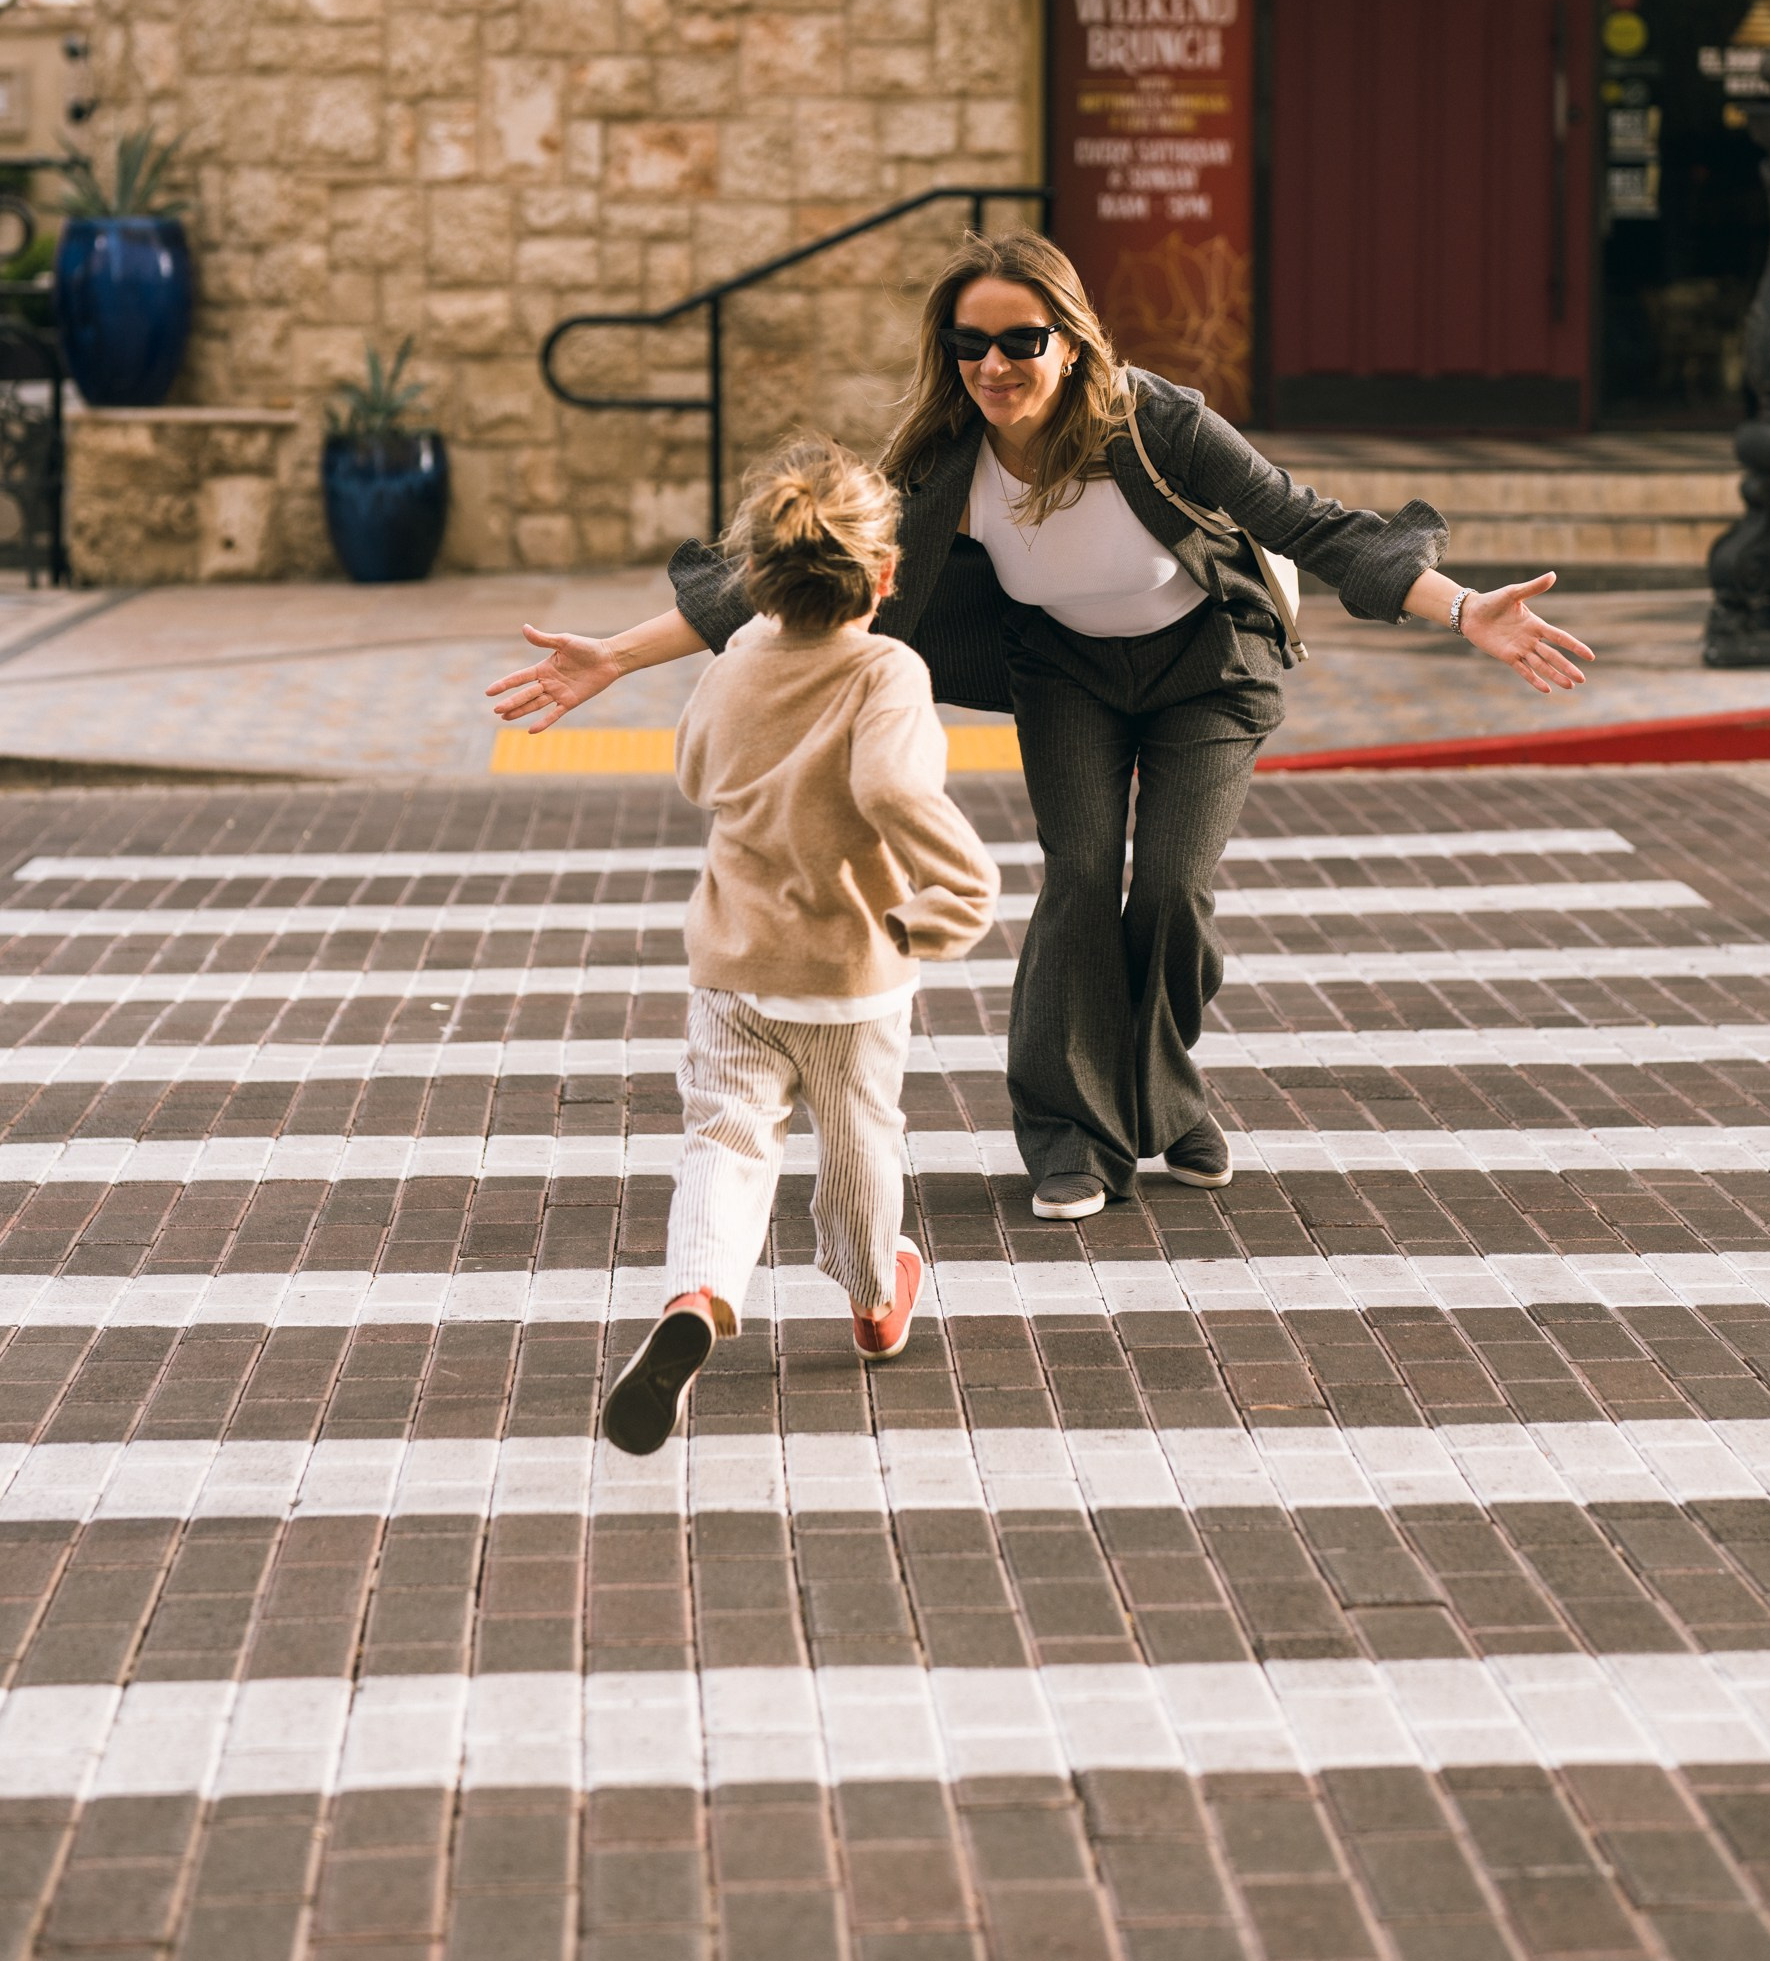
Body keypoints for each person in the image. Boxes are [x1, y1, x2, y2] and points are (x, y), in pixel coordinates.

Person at [488, 231, 1589, 1226]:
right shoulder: (944, 457)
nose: (994, 366)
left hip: (1207, 667)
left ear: (1071, 339)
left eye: (1021, 339)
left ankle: (1160, 1093)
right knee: (1076, 878)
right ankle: (1067, 1134)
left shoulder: (1163, 426)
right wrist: (615, 656)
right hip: (1064, 669)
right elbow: (785, 569)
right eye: (971, 344)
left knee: (1168, 887)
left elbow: (1310, 524)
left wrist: (1458, 608)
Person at [551, 437, 998, 1455]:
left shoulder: (740, 653)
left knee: (725, 1135)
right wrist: (958, 892)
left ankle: (698, 1293)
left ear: (754, 573)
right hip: (851, 966)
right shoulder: (885, 669)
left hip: (734, 961)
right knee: (855, 1142)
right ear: (886, 574)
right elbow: (892, 789)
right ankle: (875, 1298)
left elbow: (696, 772)